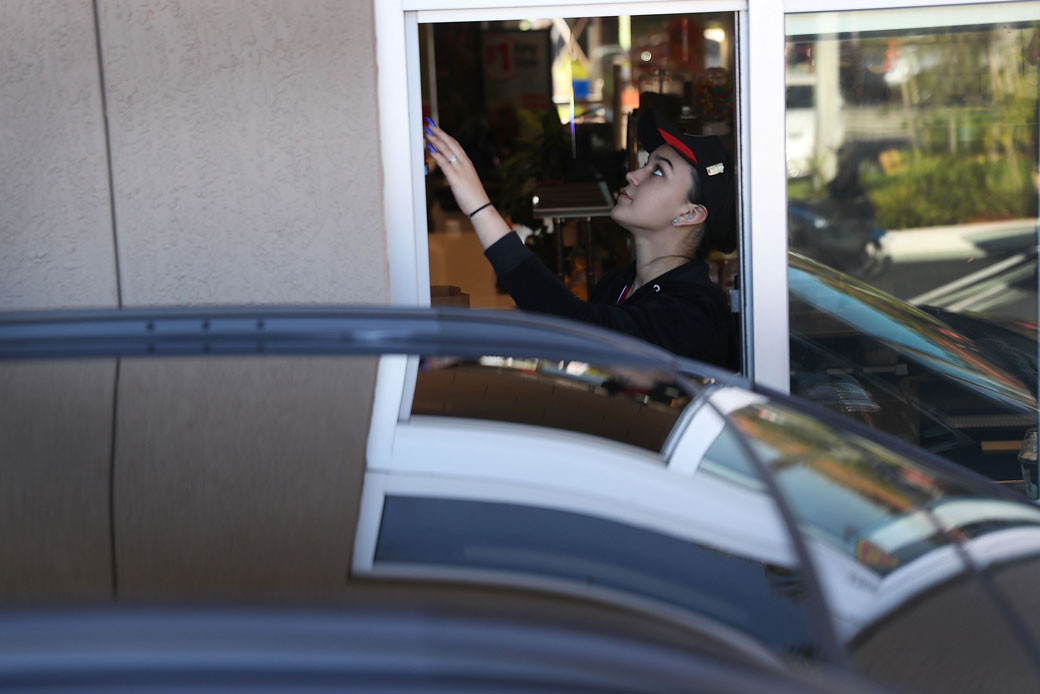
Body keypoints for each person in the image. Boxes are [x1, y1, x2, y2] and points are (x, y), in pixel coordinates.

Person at [424, 108, 735, 367]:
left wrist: (480, 208)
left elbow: (574, 329)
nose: (633, 175)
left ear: (691, 214)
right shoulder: (618, 284)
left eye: (657, 172)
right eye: (645, 163)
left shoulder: (694, 312)